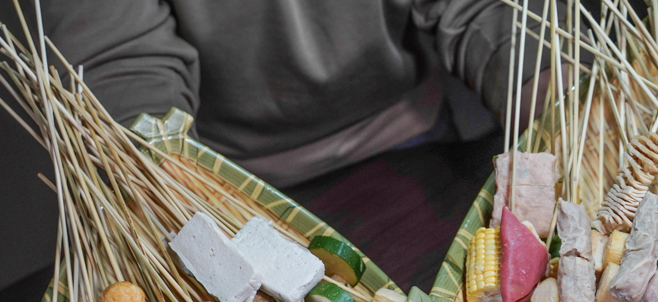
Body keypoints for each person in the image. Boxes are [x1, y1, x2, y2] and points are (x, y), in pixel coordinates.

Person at [43, 1, 566, 189]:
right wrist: (165, 191)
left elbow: (487, 11)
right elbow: (124, 63)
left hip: (420, 134)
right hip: (231, 183)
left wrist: (565, 111)